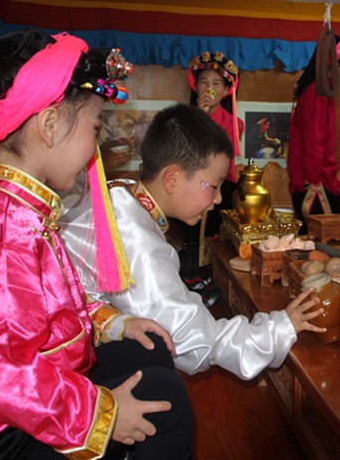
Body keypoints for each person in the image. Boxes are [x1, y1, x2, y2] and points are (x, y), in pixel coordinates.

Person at [0, 30, 192, 459]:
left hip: (21, 391)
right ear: (49, 126)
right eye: (94, 127)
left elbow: (49, 309)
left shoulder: (22, 213)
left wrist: (112, 324)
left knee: (150, 352)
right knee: (164, 397)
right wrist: (99, 416)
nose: (95, 146)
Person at [60, 103, 326, 378]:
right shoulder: (136, 240)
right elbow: (194, 340)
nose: (218, 199)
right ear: (173, 178)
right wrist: (280, 327)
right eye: (213, 186)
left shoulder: (122, 194)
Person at [172, 51, 244, 292]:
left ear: (225, 91)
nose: (209, 89)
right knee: (190, 235)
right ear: (196, 87)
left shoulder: (235, 123)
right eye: (204, 82)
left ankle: (215, 280)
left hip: (220, 187)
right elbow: (185, 152)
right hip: (191, 184)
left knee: (217, 236)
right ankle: (189, 277)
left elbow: (214, 155)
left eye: (216, 84)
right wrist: (199, 116)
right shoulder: (183, 120)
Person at [287, 35, 340, 233]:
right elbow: (313, 139)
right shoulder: (316, 92)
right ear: (337, 65)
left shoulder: (321, 90)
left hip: (319, 177)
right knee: (334, 235)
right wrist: (313, 179)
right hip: (315, 180)